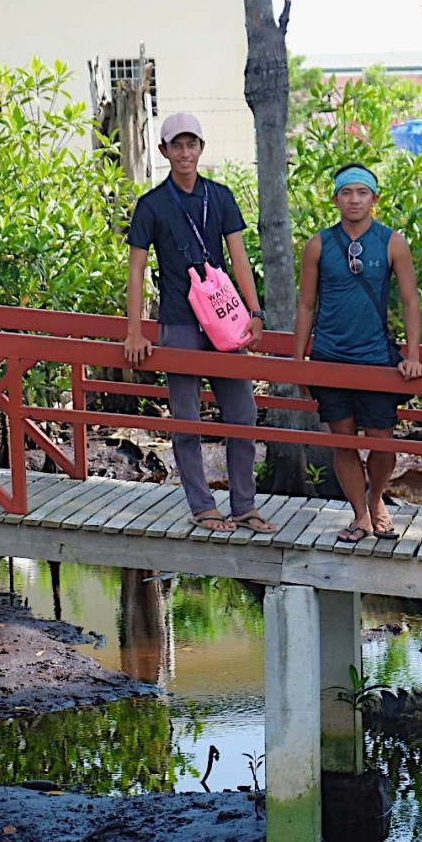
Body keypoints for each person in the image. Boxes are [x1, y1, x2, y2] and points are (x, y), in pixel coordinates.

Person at [123, 112, 275, 534]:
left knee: (242, 414)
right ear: (164, 151)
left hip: (225, 320)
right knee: (186, 419)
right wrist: (135, 330)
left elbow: (239, 258)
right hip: (179, 321)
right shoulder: (152, 205)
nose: (185, 153)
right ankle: (203, 506)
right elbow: (136, 270)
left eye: (192, 145)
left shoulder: (220, 196)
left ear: (201, 149)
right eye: (177, 145)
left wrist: (255, 312)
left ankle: (245, 505)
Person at [293, 162, 422, 544]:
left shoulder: (392, 242)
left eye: (362, 192)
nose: (354, 199)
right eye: (347, 192)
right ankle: (360, 516)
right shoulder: (318, 244)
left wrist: (413, 354)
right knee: (343, 439)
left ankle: (376, 497)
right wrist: (299, 362)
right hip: (330, 356)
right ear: (336, 198)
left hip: (375, 358)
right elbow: (306, 306)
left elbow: (409, 301)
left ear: (374, 199)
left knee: (383, 440)